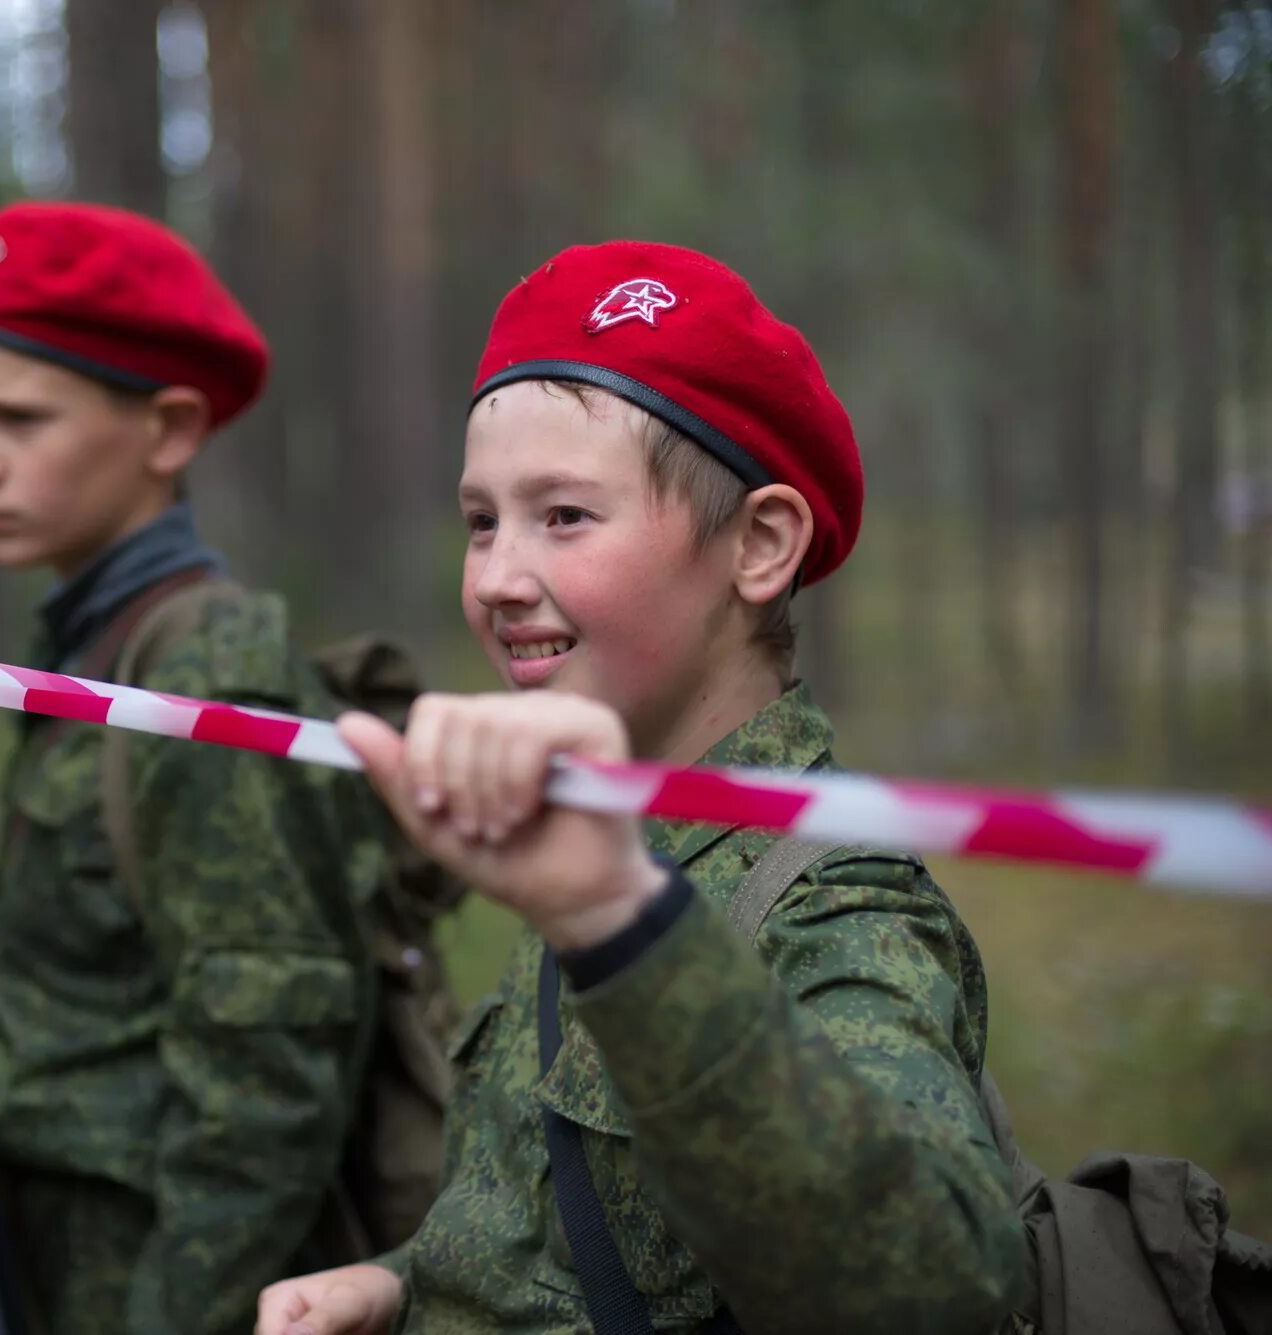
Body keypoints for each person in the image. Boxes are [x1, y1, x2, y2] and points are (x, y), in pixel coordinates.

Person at [258, 241, 1028, 1334]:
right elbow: (563, 1228)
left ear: (758, 545)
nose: (494, 579)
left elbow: (933, 1291)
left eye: (562, 516)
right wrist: (397, 1281)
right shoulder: (613, 823)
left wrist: (617, 923)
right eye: (481, 521)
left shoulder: (837, 905)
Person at [0, 201, 377, 1334]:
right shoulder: (90, 645)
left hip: (164, 1273)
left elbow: (268, 1074)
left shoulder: (204, 676)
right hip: (49, 1251)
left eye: (19, 418)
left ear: (167, 430)